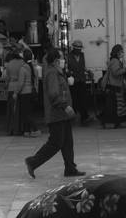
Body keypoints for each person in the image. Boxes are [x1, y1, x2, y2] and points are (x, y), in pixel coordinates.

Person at [24, 47, 84, 178]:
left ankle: (70, 168)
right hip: (56, 113)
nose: (63, 60)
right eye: (62, 57)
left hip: (62, 114)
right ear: (56, 60)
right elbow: (53, 94)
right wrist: (64, 106)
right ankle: (33, 162)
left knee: (67, 142)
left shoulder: (57, 71)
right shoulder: (52, 73)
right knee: (56, 142)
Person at [99, 44, 126, 128]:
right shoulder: (115, 61)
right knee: (115, 106)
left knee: (114, 106)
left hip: (115, 86)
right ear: (117, 52)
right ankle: (111, 122)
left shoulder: (115, 60)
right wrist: (125, 69)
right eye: (121, 51)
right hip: (114, 86)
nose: (122, 53)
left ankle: (115, 123)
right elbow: (116, 73)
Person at [67, 40, 90, 125]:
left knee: (83, 99)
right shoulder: (69, 56)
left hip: (81, 79)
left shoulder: (82, 55)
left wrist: (88, 72)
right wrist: (69, 73)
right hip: (74, 81)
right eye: (78, 49)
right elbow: (67, 68)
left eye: (80, 49)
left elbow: (83, 66)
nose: (79, 51)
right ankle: (73, 117)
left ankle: (84, 117)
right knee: (74, 100)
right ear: (74, 48)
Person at [4, 50, 27, 135]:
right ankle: (19, 128)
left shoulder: (9, 64)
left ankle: (11, 129)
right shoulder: (22, 62)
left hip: (11, 87)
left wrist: (6, 86)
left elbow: (7, 78)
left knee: (11, 110)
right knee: (19, 110)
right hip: (21, 88)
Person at [19, 48, 39, 137]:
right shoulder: (35, 68)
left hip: (24, 93)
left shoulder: (23, 69)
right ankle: (26, 131)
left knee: (25, 113)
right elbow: (37, 82)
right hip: (32, 92)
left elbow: (21, 83)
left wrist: (16, 92)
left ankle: (35, 129)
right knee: (29, 112)